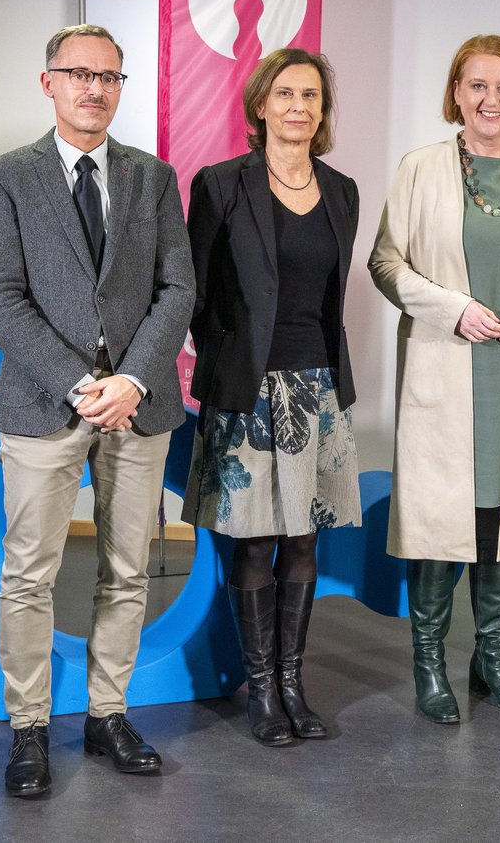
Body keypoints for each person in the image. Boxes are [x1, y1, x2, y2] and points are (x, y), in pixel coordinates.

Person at [0, 24, 195, 796]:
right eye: (78, 73)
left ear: (120, 87)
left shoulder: (153, 177)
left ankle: (108, 713)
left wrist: (131, 379)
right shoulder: (7, 176)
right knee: (29, 573)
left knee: (127, 570)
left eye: (109, 76)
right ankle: (28, 728)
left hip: (138, 404)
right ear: (49, 83)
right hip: (41, 401)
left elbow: (179, 289)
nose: (94, 88)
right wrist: (78, 381)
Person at [369, 35, 500, 723]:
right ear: (456, 94)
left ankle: (492, 657)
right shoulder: (421, 168)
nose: (491, 99)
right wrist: (453, 308)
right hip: (446, 363)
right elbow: (387, 263)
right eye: (477, 85)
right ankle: (429, 661)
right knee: (439, 518)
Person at [182, 49, 361, 746]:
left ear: (322, 110)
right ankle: (261, 691)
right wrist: (232, 364)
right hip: (249, 390)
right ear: (261, 105)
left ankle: (293, 681)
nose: (298, 106)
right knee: (255, 541)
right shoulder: (223, 184)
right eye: (284, 93)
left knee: (304, 539)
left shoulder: (342, 189)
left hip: (318, 387)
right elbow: (195, 295)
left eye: (311, 96)